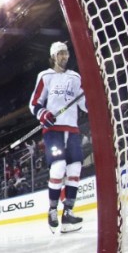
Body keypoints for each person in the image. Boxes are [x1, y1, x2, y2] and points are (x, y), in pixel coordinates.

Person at [29, 41, 87, 233]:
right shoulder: (45, 76)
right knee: (59, 166)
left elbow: (84, 104)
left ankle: (68, 213)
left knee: (75, 169)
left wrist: (93, 96)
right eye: (60, 53)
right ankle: (53, 209)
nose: (64, 56)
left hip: (72, 130)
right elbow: (34, 103)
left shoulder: (75, 77)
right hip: (53, 130)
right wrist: (43, 114)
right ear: (53, 56)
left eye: (66, 53)